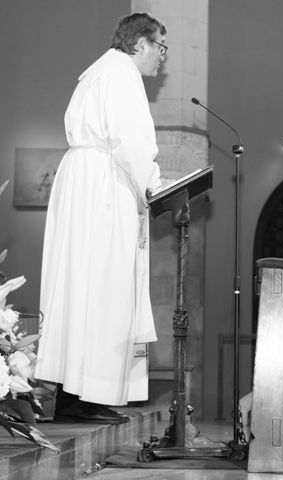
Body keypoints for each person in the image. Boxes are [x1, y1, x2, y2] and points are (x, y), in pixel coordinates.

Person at [34, 13, 167, 424]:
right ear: (140, 43)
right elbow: (131, 141)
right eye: (161, 47)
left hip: (83, 183)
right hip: (104, 189)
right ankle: (87, 392)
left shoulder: (97, 71)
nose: (162, 58)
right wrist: (154, 186)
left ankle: (71, 390)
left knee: (79, 284)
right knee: (103, 284)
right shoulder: (122, 74)